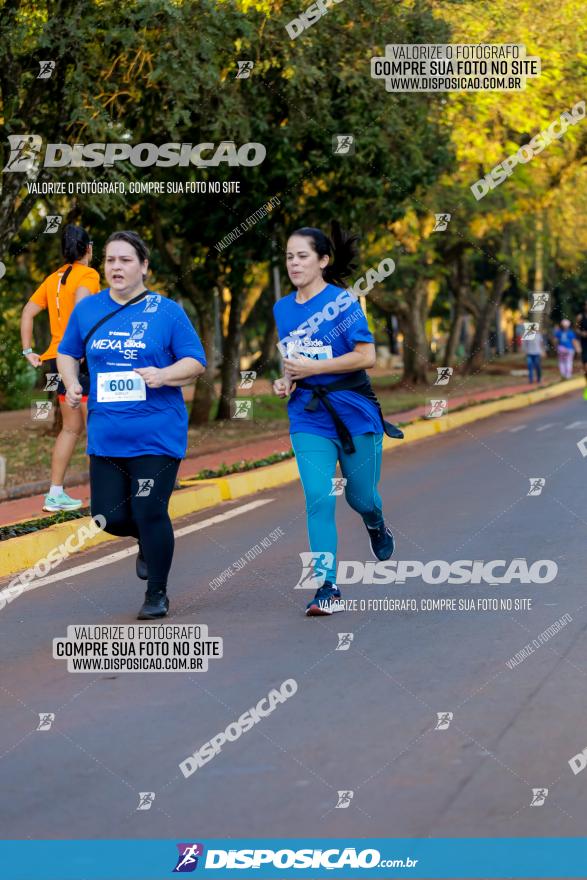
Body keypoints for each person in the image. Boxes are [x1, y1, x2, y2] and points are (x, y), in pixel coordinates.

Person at [57, 231, 206, 619]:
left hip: (157, 432)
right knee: (108, 516)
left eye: (125, 260)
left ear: (144, 267)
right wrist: (72, 383)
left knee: (149, 509)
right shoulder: (87, 310)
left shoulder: (167, 311)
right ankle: (147, 540)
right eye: (109, 260)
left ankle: (157, 594)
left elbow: (196, 362)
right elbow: (67, 352)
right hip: (106, 434)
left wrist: (162, 374)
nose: (116, 267)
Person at [272, 222, 402, 617]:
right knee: (318, 498)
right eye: (290, 256)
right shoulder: (281, 308)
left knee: (361, 497)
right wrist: (287, 380)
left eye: (302, 256)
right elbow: (293, 359)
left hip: (354, 411)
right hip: (308, 416)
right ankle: (326, 586)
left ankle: (376, 523)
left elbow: (367, 357)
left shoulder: (343, 302)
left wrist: (314, 367)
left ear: (323, 261)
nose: (294, 263)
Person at [20, 224, 100, 511]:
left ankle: (55, 494)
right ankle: (102, 495)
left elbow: (28, 312)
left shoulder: (52, 279)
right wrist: (79, 346)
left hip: (56, 359)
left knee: (71, 427)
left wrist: (29, 350)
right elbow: (81, 306)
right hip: (79, 358)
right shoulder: (89, 274)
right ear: (88, 249)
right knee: (96, 427)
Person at [575, 301, 587, 400]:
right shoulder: (580, 317)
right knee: (585, 367)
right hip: (584, 345)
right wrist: (581, 333)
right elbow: (576, 329)